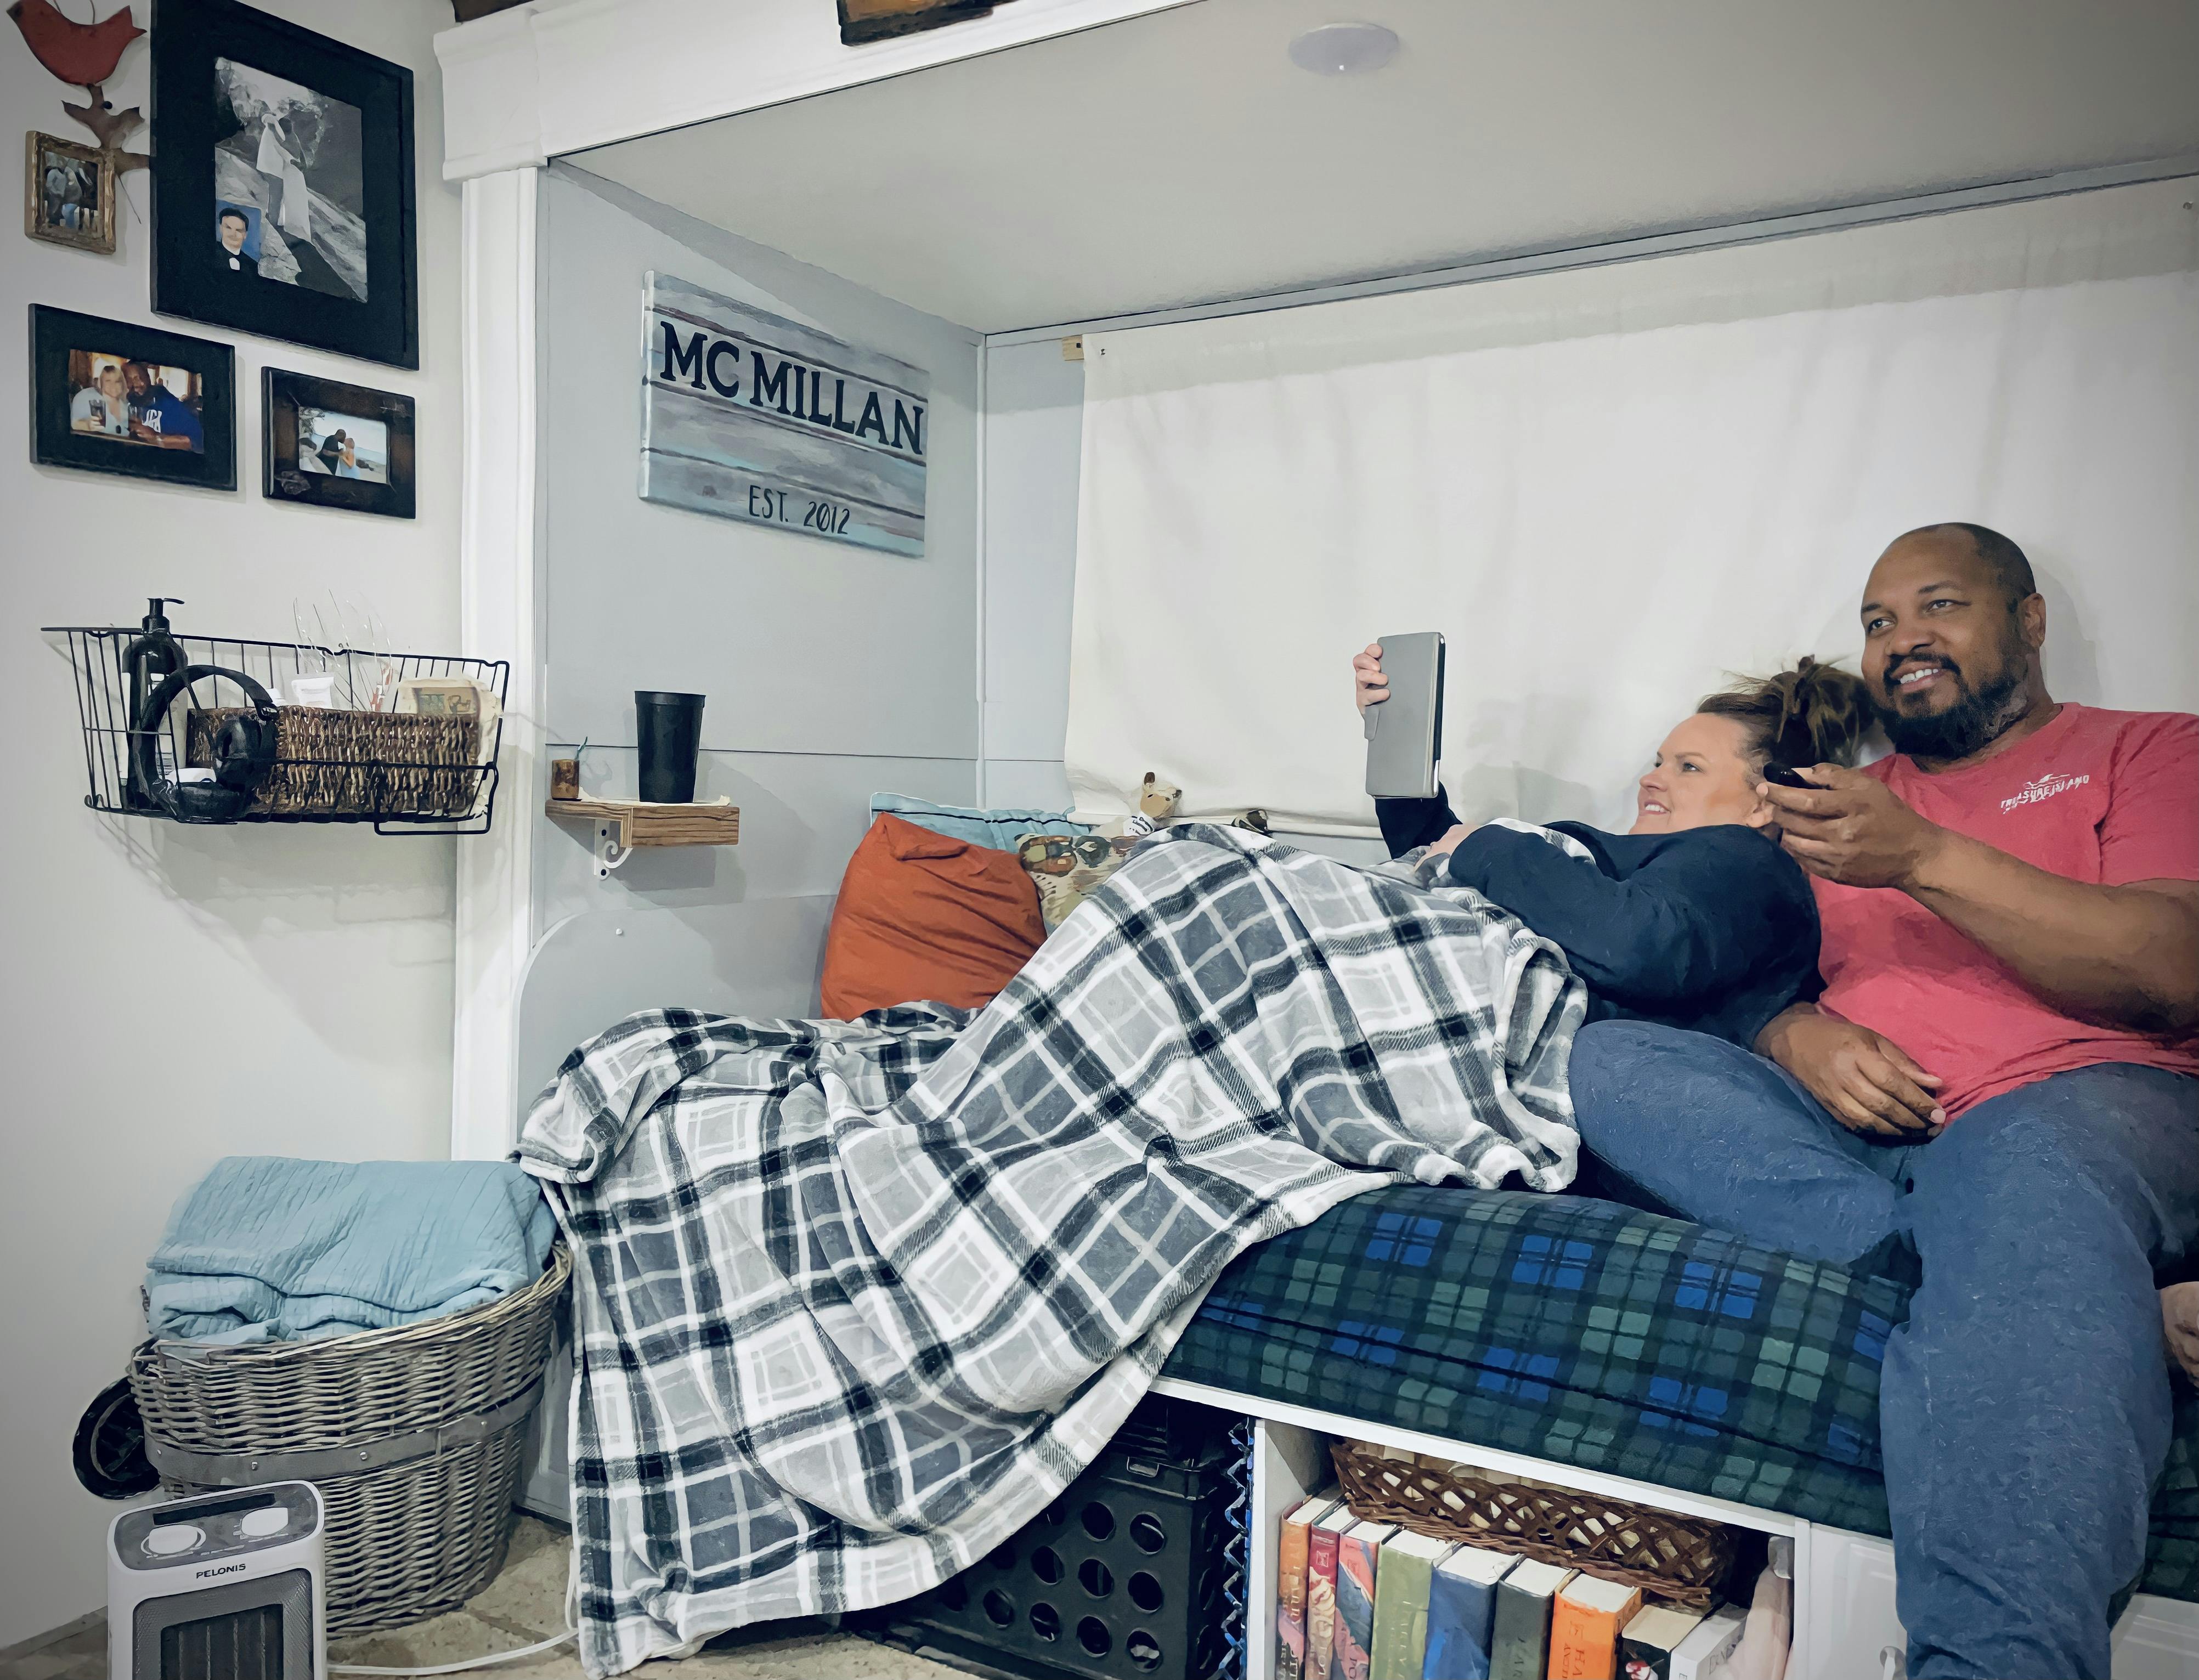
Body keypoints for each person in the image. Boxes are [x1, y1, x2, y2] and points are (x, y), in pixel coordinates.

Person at [1564, 523, 2198, 1679]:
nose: (1904, 639)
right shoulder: (1827, 803)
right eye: (1876, 621)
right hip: (1861, 1152)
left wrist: (1923, 857)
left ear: (2029, 621)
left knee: (2024, 1174)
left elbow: (2172, 967)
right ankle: (2051, 1282)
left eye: (1940, 606)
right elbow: (1740, 971)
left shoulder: (2148, 749)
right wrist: (1785, 1030)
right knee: (1605, 1064)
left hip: (2086, 1102)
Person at [1356, 648, 1869, 1051]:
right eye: (1658, 762)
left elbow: (1639, 944)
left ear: (1764, 804)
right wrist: (1396, 742)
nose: (1650, 780)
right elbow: (1437, 858)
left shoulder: (1748, 862)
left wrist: (1489, 847)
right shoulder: (1632, 868)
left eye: (1687, 767)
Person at [122, 362, 203, 452]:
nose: (137, 385)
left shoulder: (166, 403)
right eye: (129, 381)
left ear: (148, 377)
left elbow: (197, 439)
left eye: (139, 378)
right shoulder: (125, 406)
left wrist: (156, 438)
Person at [69, 363, 131, 437]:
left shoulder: (127, 404)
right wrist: (87, 425)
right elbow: (73, 424)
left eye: (118, 381)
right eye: (108, 381)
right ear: (100, 383)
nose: (113, 386)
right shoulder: (86, 396)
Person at [217, 206, 258, 276]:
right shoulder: (210, 252)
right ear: (221, 228)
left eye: (239, 231)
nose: (233, 234)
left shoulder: (253, 266)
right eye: (229, 228)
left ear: (245, 235)